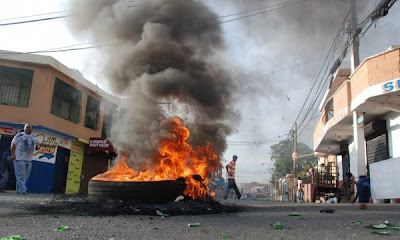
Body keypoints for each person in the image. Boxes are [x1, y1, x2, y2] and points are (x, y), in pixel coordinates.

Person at [10, 124, 52, 195]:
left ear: (32, 129)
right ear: (24, 128)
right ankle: (23, 190)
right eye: (27, 127)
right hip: (19, 158)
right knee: (21, 175)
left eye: (30, 128)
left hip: (28, 159)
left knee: (26, 176)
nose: (28, 129)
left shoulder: (34, 136)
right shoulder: (20, 135)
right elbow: (13, 145)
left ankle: (19, 190)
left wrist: (50, 146)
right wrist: (13, 154)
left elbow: (40, 143)